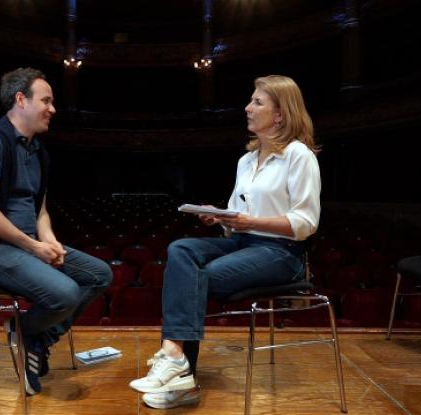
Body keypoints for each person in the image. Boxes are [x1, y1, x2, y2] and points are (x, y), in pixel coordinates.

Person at [129, 75, 321, 409]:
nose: (247, 108)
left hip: (283, 252)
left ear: (280, 114)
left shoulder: (299, 156)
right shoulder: (245, 161)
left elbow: (306, 224)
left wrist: (251, 221)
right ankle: (177, 363)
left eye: (257, 102)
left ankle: (178, 370)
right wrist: (220, 217)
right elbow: (238, 216)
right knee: (180, 248)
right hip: (244, 241)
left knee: (194, 279)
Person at [0, 67, 112, 396]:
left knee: (99, 274)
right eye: (47, 100)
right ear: (20, 100)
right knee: (66, 293)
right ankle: (31, 334)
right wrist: (32, 246)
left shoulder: (37, 152)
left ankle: (35, 336)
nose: (53, 109)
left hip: (23, 247)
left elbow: (38, 209)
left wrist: (49, 240)